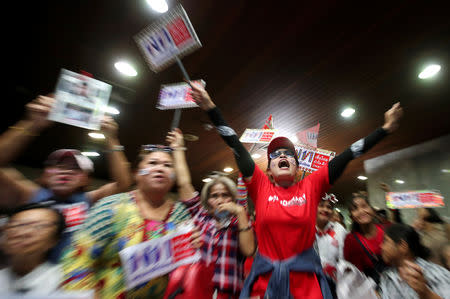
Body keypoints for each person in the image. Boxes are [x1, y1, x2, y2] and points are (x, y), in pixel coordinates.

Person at [190, 81, 403, 299]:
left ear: (298, 168)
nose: (282, 155)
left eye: (288, 154)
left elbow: (349, 154)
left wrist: (384, 130)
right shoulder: (260, 186)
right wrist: (210, 107)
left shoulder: (311, 185)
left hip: (307, 286)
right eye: (275, 155)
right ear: (269, 171)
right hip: (266, 285)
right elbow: (234, 143)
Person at [0, 95, 133, 262]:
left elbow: (124, 184)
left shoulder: (89, 200)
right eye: (58, 167)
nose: (66, 172)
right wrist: (30, 124)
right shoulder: (27, 194)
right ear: (45, 174)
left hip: (73, 278)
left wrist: (111, 139)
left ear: (86, 179)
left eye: (75, 169)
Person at [61, 143, 202, 299]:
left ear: (174, 176)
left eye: (167, 165)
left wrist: (194, 245)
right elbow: (77, 257)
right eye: (152, 163)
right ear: (137, 174)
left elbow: (184, 266)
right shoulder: (112, 206)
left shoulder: (180, 214)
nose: (160, 168)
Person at [167, 128, 256, 298]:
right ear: (208, 200)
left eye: (225, 195)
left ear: (232, 198)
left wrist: (239, 212)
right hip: (196, 290)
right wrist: (178, 149)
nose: (220, 200)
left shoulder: (240, 221)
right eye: (215, 196)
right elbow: (184, 184)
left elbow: (249, 251)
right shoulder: (200, 215)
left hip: (228, 293)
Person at [0, 203, 65, 295]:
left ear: (55, 240)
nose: (23, 233)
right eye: (16, 225)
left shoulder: (65, 282)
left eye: (38, 226)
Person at [379, 223, 450, 299]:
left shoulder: (435, 273)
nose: (381, 246)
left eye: (385, 241)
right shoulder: (387, 276)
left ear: (403, 246)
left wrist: (425, 293)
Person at [344, 192, 386, 285]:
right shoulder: (350, 240)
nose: (361, 211)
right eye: (355, 209)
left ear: (372, 210)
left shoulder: (386, 231)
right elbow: (354, 274)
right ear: (352, 217)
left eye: (364, 206)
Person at [315, 193, 347, 298]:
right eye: (321, 205)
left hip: (334, 284)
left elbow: (344, 259)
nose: (325, 210)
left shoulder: (339, 230)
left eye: (329, 207)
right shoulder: (305, 228)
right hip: (310, 283)